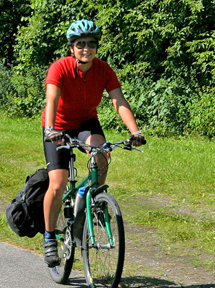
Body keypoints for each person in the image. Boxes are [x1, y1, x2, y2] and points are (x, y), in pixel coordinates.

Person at [40, 19, 146, 267]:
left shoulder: (104, 70)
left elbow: (118, 101)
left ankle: (95, 201)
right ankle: (49, 237)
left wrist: (135, 131)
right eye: (80, 44)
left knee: (101, 151)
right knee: (57, 183)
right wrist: (50, 128)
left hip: (87, 123)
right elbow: (51, 98)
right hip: (58, 126)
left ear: (96, 47)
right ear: (72, 47)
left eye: (91, 44)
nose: (85, 48)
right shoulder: (60, 67)